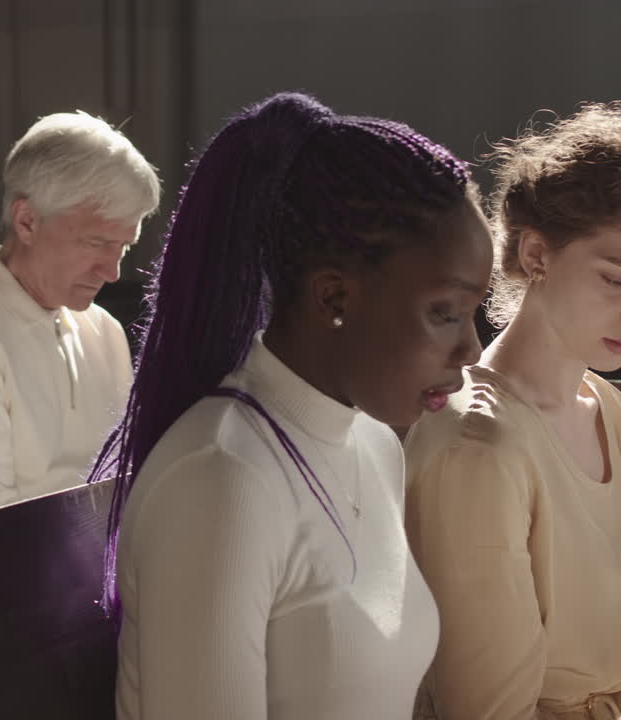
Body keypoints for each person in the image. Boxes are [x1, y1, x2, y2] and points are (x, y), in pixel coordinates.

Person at [87, 92, 494, 719]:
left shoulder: (375, 444)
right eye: (445, 313)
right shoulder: (222, 479)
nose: (471, 349)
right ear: (335, 295)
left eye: (475, 314)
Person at [405, 102, 621, 720]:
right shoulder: (476, 443)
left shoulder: (608, 409)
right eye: (615, 279)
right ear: (536, 255)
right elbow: (486, 710)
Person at [0, 112, 160, 516]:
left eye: (123, 249)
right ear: (26, 221)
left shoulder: (104, 330)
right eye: (96, 243)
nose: (112, 273)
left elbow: (134, 491)